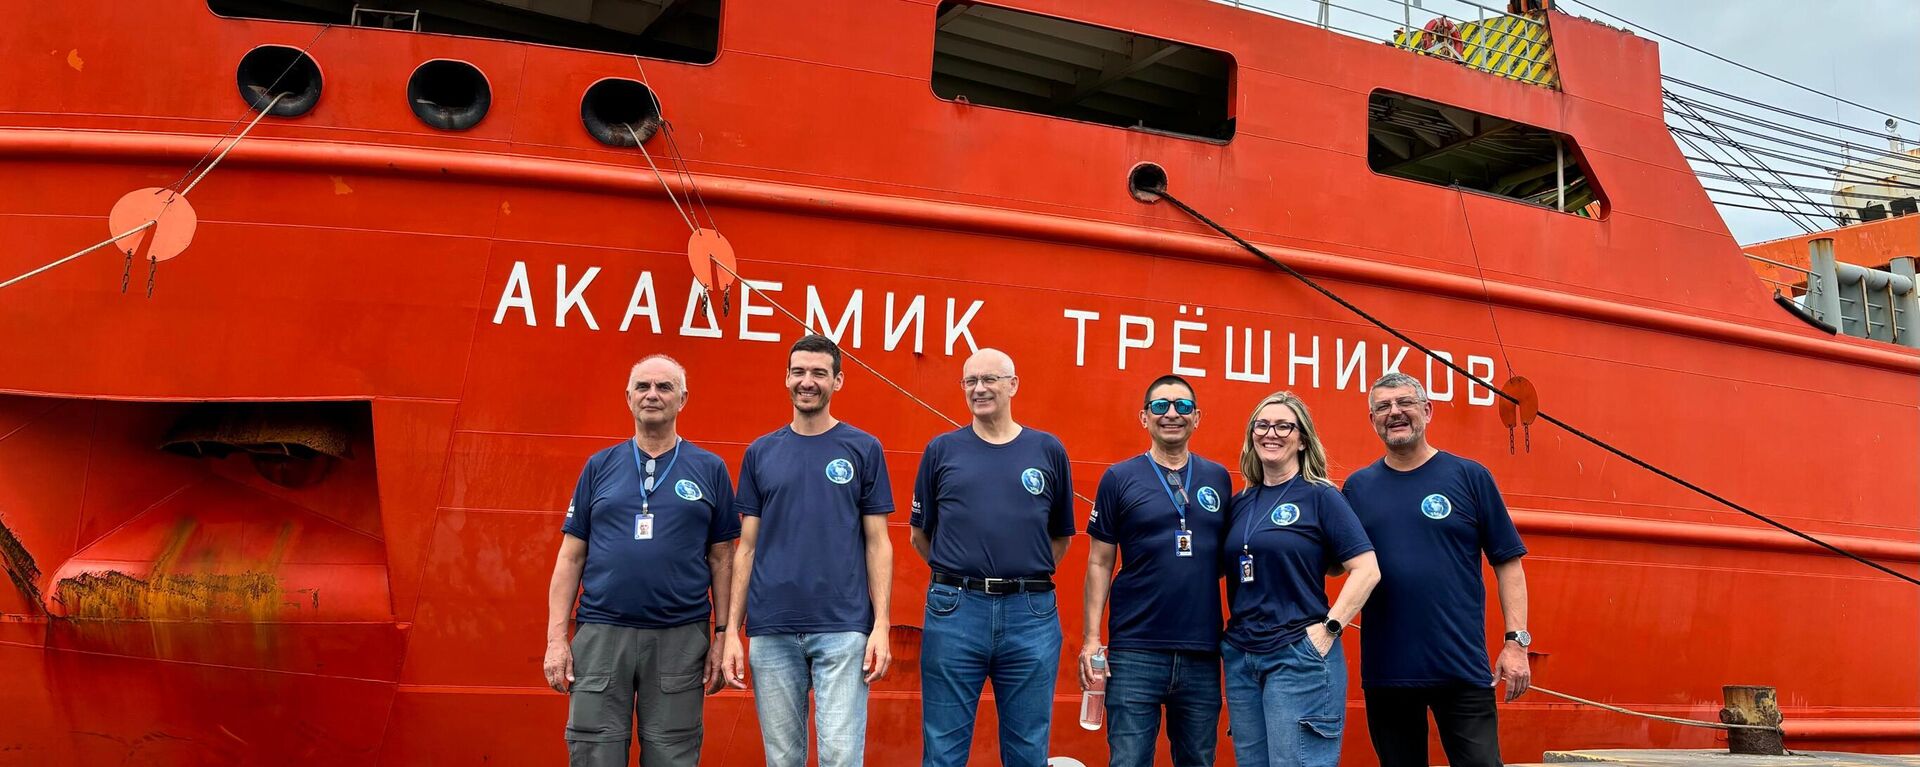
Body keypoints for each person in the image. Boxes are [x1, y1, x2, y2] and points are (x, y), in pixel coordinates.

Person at [543, 355, 739, 767]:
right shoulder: (599, 466)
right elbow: (571, 555)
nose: (653, 395)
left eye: (665, 387)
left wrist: (723, 635)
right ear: (628, 397)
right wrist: (556, 639)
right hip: (601, 634)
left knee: (674, 754)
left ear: (683, 399)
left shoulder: (710, 469)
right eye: (643, 387)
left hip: (680, 639)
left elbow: (723, 559)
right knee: (594, 751)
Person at [721, 335, 894, 767]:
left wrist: (883, 624)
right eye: (799, 372)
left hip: (843, 627)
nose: (807, 381)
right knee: (782, 759)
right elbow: (746, 549)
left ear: (838, 380)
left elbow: (879, 542)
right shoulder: (761, 452)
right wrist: (730, 633)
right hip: (771, 629)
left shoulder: (864, 448)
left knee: (840, 755)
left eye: (819, 373)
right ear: (786, 378)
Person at [1342, 372, 1531, 767]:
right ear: (1372, 420)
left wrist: (1516, 642)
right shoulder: (1357, 488)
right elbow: (1329, 563)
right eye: (1383, 407)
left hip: (1460, 668)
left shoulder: (1469, 476)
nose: (1395, 413)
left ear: (1427, 411)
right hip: (1387, 672)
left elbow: (1507, 562)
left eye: (1405, 403)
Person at [911, 348, 1075, 767]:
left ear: (1013, 385)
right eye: (970, 381)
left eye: (990, 380)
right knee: (943, 751)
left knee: (1027, 751)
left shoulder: (1048, 450)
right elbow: (920, 535)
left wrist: (1017, 575)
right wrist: (963, 576)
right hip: (955, 611)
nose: (979, 389)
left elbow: (1059, 537)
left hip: (1031, 615)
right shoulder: (941, 450)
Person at [1079, 374, 1233, 767]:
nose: (1171, 414)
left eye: (1182, 406)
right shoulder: (1119, 478)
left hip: (1201, 652)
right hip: (1135, 651)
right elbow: (1099, 561)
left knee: (1198, 760)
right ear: (1143, 417)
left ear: (1197, 417)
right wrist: (1091, 638)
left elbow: (1226, 561)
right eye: (1160, 406)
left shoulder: (1219, 478)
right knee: (1129, 761)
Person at [1222, 391, 1381, 767]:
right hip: (1243, 657)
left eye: (1283, 425)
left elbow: (1366, 568)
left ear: (1302, 438)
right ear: (1251, 435)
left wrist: (1328, 629)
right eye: (1262, 425)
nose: (1271, 433)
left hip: (1297, 655)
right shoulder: (1242, 501)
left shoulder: (1321, 496)